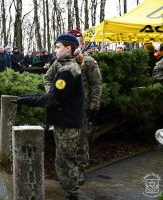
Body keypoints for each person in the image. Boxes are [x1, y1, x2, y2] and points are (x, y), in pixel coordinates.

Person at [14, 34, 84, 200]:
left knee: (65, 162)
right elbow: (51, 90)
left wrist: (25, 99)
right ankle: (71, 193)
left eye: (58, 47)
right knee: (64, 161)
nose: (55, 50)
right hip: (65, 121)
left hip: (67, 124)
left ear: (68, 49)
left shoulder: (68, 71)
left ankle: (73, 194)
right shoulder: (64, 65)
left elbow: (50, 99)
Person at [68, 29, 102, 185]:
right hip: (67, 107)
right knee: (67, 138)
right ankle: (68, 167)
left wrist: (94, 107)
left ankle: (80, 169)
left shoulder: (88, 61)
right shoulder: (64, 61)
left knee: (81, 139)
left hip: (83, 107)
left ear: (81, 44)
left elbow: (96, 85)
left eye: (76, 42)